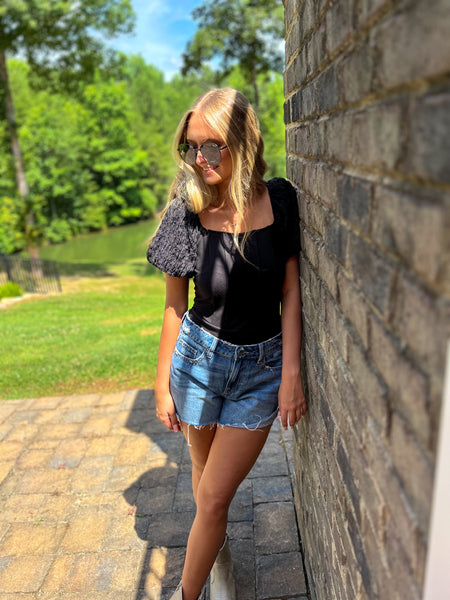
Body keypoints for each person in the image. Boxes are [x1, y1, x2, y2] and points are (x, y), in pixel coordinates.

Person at [147, 88, 306, 600]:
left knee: (214, 496)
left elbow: (290, 292)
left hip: (261, 369)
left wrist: (291, 375)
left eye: (211, 147)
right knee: (203, 477)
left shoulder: (279, 201)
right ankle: (217, 556)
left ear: (243, 143)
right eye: (191, 147)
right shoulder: (186, 213)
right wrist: (161, 384)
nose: (200, 159)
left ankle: (186, 591)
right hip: (197, 363)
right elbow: (174, 307)